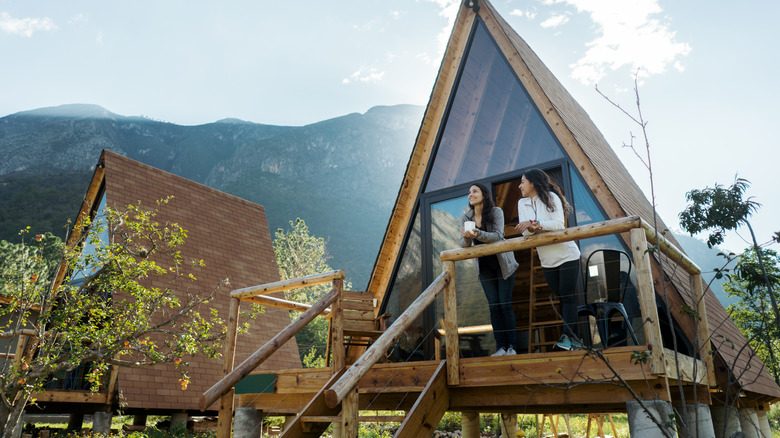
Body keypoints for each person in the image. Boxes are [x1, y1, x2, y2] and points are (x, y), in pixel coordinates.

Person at [515, 169, 582, 351]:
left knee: (567, 297)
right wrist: (531, 227)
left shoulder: (552, 197)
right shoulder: (522, 203)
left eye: (523, 182)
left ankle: (569, 338)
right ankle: (574, 340)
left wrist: (534, 224)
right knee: (561, 298)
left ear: (533, 183)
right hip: (546, 259)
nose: (520, 186)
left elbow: (559, 225)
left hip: (567, 255)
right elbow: (525, 232)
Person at [460, 183, 520, 356]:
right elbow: (463, 244)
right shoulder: (466, 217)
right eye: (469, 192)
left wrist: (478, 234)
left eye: (474, 191)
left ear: (484, 195)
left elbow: (498, 236)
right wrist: (466, 237)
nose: (470, 194)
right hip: (484, 267)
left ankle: (512, 348)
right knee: (494, 307)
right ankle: (501, 347)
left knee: (504, 304)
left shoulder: (496, 212)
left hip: (503, 264)